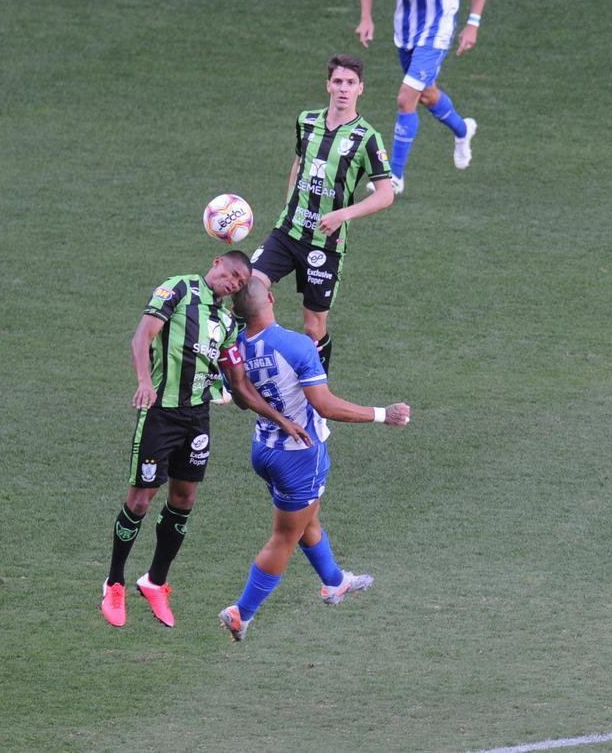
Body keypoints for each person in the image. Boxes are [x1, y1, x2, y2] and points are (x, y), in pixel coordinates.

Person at [100, 251, 313, 629]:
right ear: (215, 263)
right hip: (161, 414)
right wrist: (144, 382)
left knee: (184, 499)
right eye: (229, 273)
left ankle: (155, 581)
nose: (231, 283)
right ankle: (114, 582)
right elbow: (142, 335)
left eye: (238, 282)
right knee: (140, 500)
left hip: (196, 419)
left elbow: (240, 386)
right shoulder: (179, 288)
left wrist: (282, 420)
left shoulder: (228, 323)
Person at [218, 279, 410, 642]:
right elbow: (325, 406)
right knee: (284, 537)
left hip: (264, 448)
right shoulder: (296, 345)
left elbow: (241, 398)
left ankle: (334, 581)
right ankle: (241, 613)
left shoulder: (236, 349)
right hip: (299, 455)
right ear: (271, 299)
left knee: (307, 515)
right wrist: (384, 414)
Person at [249, 53, 394, 376]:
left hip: (325, 245)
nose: (344, 88)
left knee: (313, 327)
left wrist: (343, 214)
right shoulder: (307, 121)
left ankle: (317, 390)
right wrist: (290, 206)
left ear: (361, 89)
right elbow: (298, 165)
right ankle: (233, 377)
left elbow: (386, 195)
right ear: (328, 85)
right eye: (338, 81)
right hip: (287, 232)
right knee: (249, 288)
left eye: (351, 83)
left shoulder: (368, 138)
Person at [355, 0, 490, 195]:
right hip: (405, 34)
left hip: (437, 33)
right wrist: (366, 17)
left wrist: (473, 24)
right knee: (427, 95)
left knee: (406, 99)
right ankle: (462, 130)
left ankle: (394, 177)